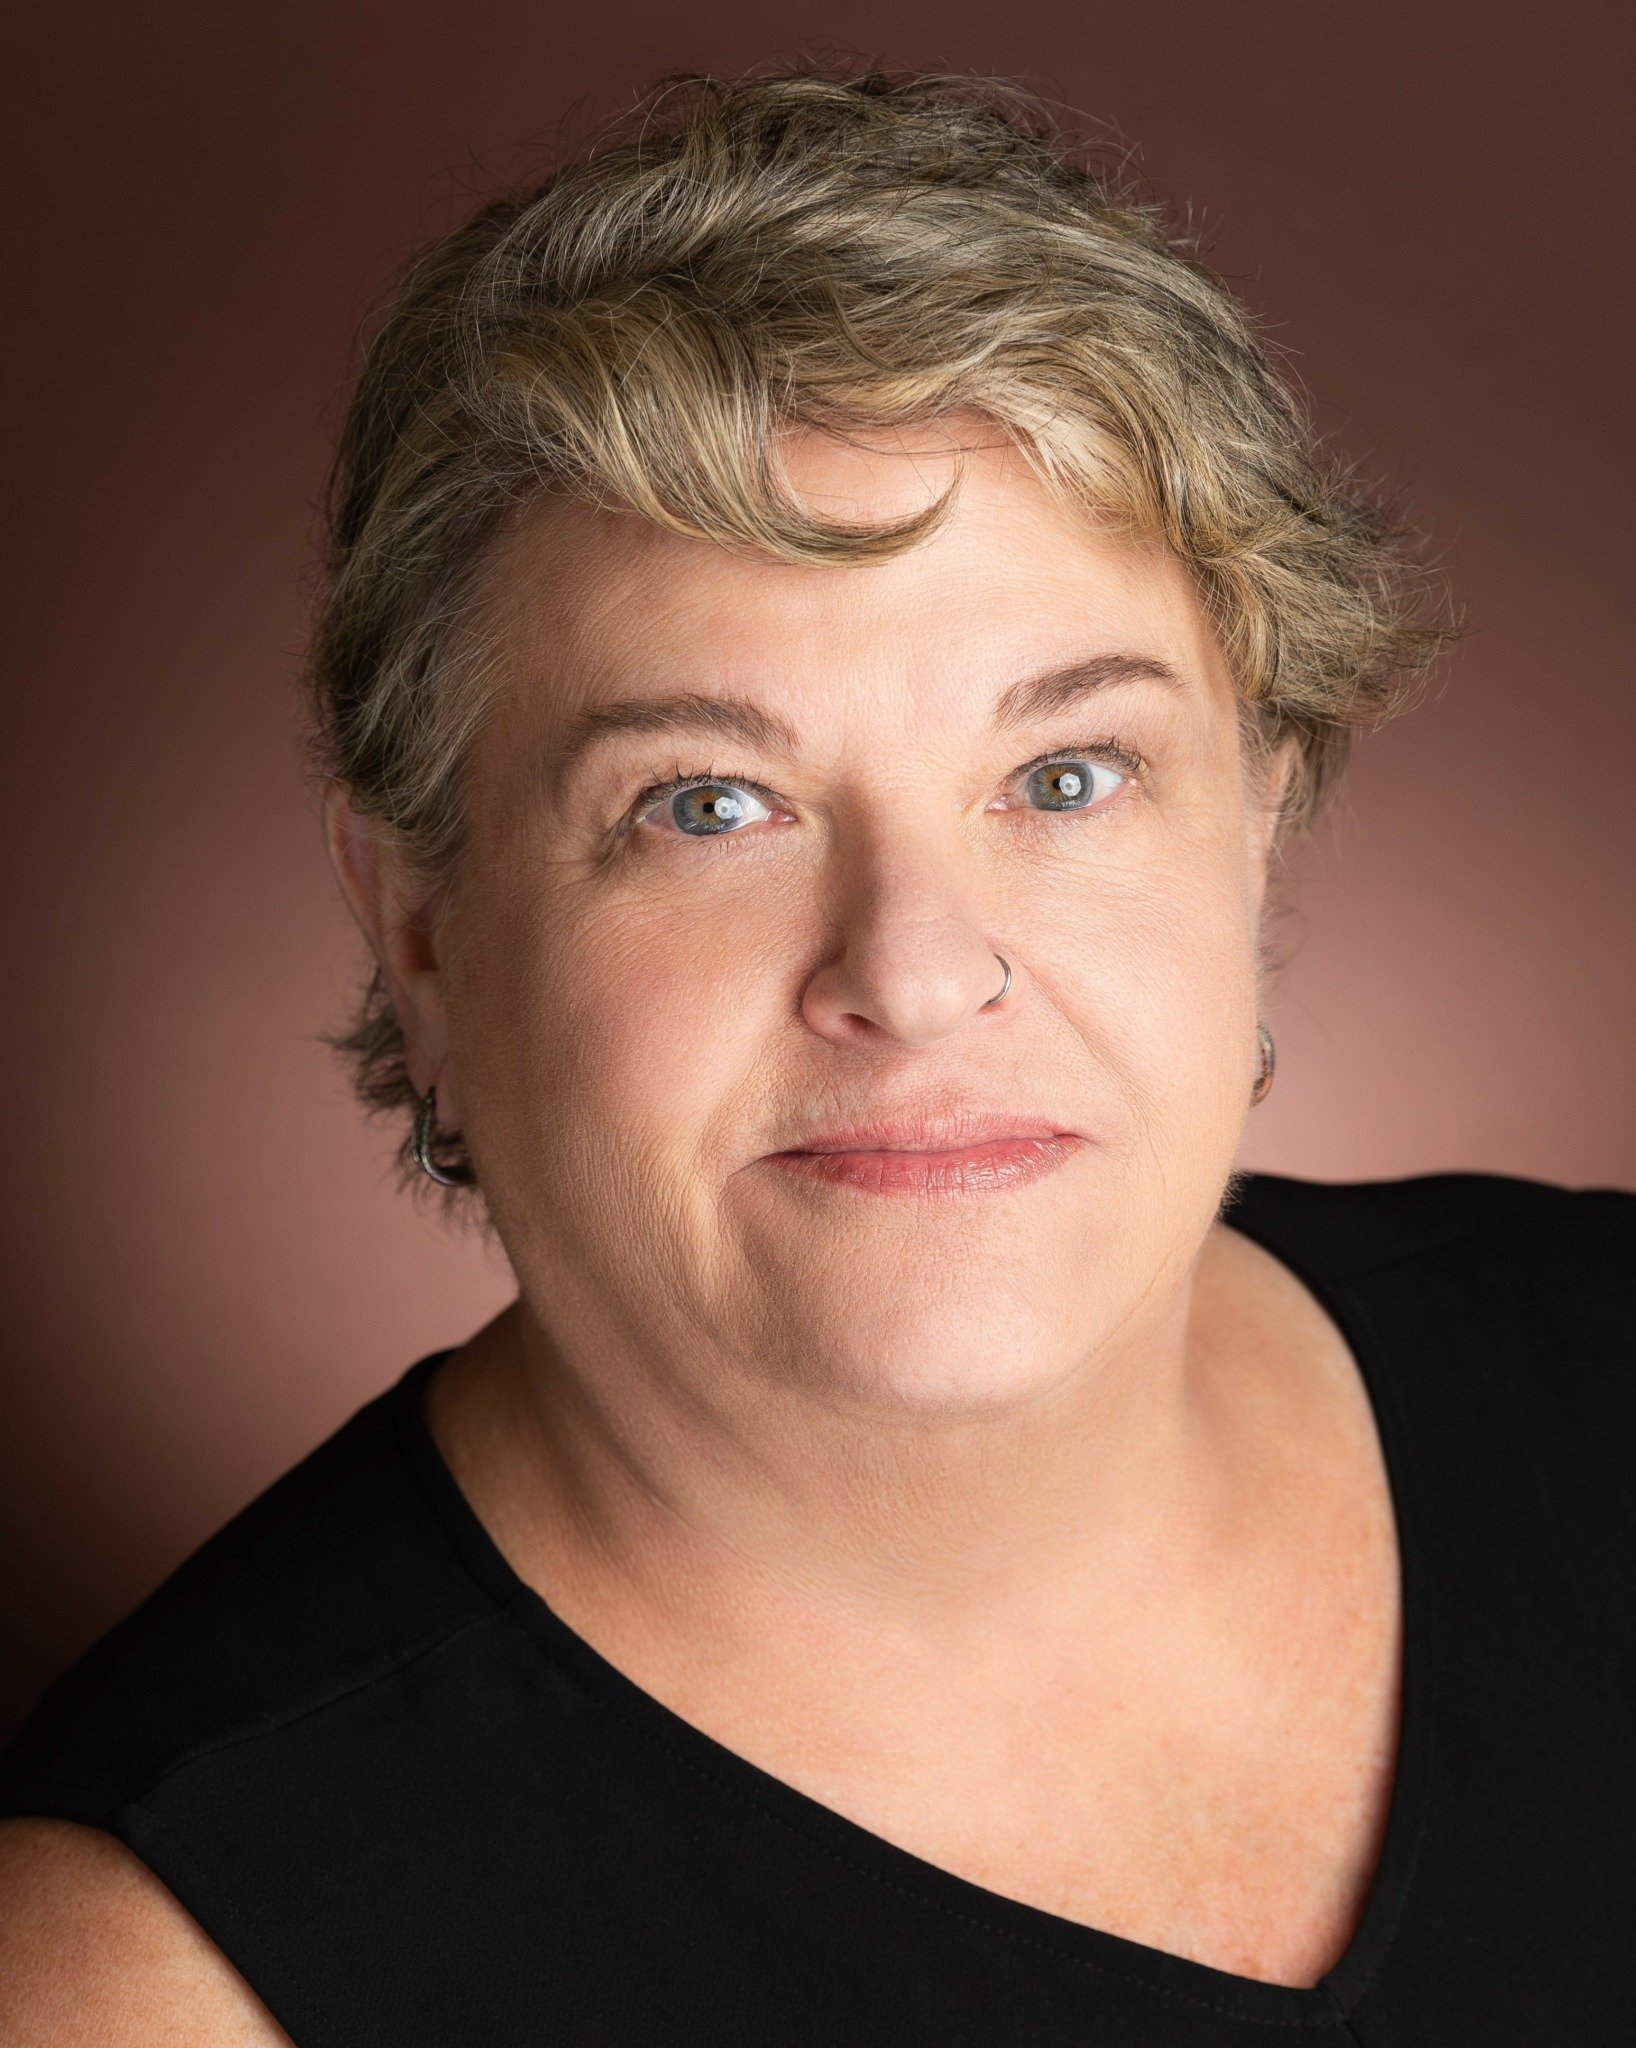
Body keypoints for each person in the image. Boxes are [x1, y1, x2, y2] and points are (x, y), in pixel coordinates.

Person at [1, 64, 1631, 2048]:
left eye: (1060, 773)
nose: (914, 968)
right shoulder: (154, 1975)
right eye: (707, 804)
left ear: (1250, 822)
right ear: (419, 924)